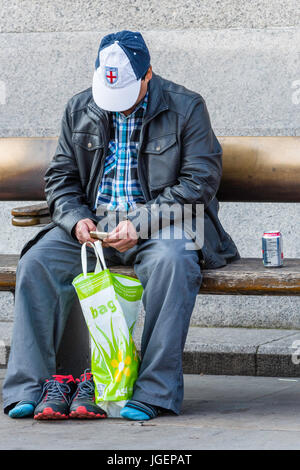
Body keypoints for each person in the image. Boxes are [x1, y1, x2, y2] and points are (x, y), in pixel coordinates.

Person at [2, 30, 240, 420]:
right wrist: (76, 217)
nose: (119, 107)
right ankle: (33, 386)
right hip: (95, 227)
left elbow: (199, 183)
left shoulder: (187, 106)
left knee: (173, 262)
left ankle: (154, 391)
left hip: (164, 222)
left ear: (148, 75)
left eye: (128, 95)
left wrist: (139, 222)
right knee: (37, 262)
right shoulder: (79, 107)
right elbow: (60, 178)